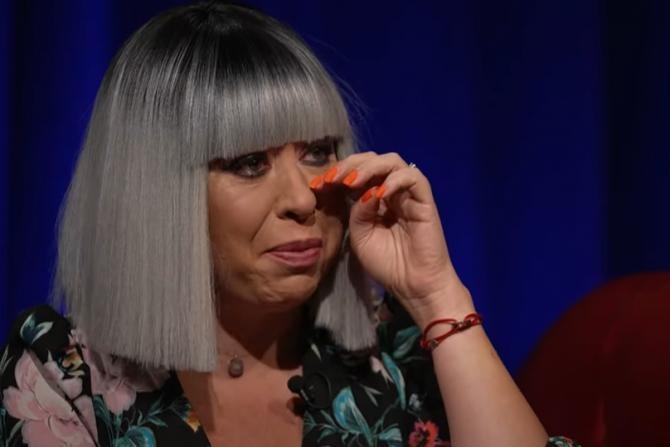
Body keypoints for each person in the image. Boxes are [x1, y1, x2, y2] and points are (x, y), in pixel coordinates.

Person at [0, 2, 578, 446]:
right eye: (250, 162)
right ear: (156, 194)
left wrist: (438, 296)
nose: (304, 198)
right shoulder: (64, 373)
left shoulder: (399, 349)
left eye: (318, 152)